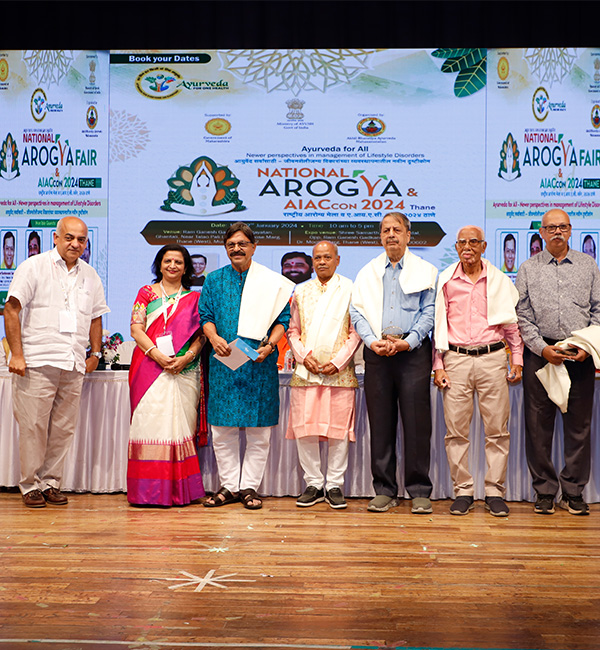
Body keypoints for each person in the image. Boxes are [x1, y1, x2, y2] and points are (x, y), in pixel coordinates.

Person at [4, 216, 109, 508]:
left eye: (82, 240)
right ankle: (30, 485)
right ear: (56, 237)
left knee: (63, 428)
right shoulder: (33, 266)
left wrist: (96, 354)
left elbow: (97, 316)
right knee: (33, 426)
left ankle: (51, 483)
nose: (76, 244)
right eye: (69, 238)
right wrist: (18, 354)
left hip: (72, 363)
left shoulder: (90, 275)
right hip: (37, 360)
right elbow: (11, 309)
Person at [199, 222, 294, 509]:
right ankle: (229, 486)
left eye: (242, 244)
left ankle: (250, 487)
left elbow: (283, 320)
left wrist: (270, 346)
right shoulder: (214, 280)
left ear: (254, 247)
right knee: (223, 429)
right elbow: (206, 315)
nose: (236, 249)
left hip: (258, 364)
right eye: (231, 245)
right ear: (225, 249)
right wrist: (213, 337)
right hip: (224, 362)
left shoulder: (270, 281)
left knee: (258, 431)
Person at [433, 226, 524, 517]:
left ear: (484, 246)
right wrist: (438, 365)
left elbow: (511, 324)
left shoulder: (497, 280)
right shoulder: (446, 281)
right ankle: (464, 491)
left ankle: (495, 491)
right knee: (456, 432)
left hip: (492, 358)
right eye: (462, 242)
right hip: (456, 360)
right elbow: (439, 326)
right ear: (457, 247)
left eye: (474, 242)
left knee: (497, 430)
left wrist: (517, 358)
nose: (468, 247)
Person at [351, 212, 437, 514]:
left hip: (412, 353)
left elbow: (430, 312)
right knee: (381, 423)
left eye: (396, 230)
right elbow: (357, 312)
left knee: (416, 424)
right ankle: (385, 489)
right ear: (380, 236)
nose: (391, 235)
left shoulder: (426, 271)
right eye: (385, 230)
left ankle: (419, 490)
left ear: (408, 235)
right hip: (377, 352)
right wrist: (372, 341)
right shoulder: (368, 272)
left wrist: (409, 341)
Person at [516, 208, 600, 515]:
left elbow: (599, 310)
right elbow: (522, 314)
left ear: (570, 229)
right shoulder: (528, 268)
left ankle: (574, 491)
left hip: (579, 353)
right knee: (538, 428)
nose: (557, 233)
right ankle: (545, 491)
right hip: (541, 355)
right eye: (550, 228)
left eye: (562, 227)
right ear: (541, 232)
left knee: (579, 427)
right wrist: (541, 348)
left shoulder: (588, 265)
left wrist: (587, 347)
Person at [127, 244, 206, 506]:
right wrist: (156, 355)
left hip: (184, 370)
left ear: (186, 268)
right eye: (167, 261)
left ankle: (180, 491)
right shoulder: (146, 293)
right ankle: (147, 492)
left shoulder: (195, 299)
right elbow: (136, 329)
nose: (173, 266)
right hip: (149, 367)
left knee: (179, 427)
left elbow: (201, 336)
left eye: (179, 262)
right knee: (150, 424)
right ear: (159, 264)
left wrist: (187, 357)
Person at [286, 241, 361, 509]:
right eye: (317, 257)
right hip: (307, 372)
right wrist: (304, 357)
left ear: (337, 260)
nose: (322, 262)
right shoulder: (301, 291)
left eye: (327, 257)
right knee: (305, 429)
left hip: (338, 374)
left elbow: (357, 332)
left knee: (338, 431)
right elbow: (293, 331)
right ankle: (314, 483)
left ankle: (334, 485)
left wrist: (339, 361)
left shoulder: (351, 289)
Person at [277, 252, 313, 369]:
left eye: (299, 265)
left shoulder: (317, 296)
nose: (293, 269)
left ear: (312, 268)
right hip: (279, 364)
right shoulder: (275, 297)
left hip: (309, 361)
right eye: (287, 266)